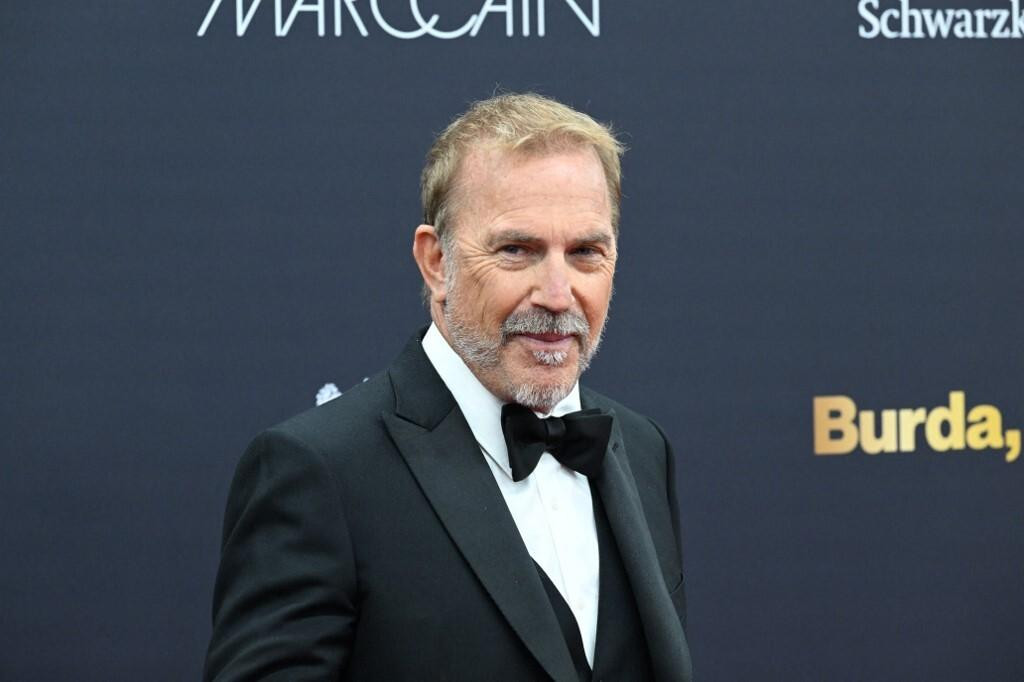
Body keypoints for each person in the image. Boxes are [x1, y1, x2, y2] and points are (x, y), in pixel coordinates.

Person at [204, 93, 693, 682]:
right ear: (436, 261)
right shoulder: (319, 471)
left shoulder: (641, 447)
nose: (558, 294)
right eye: (517, 250)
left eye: (586, 252)